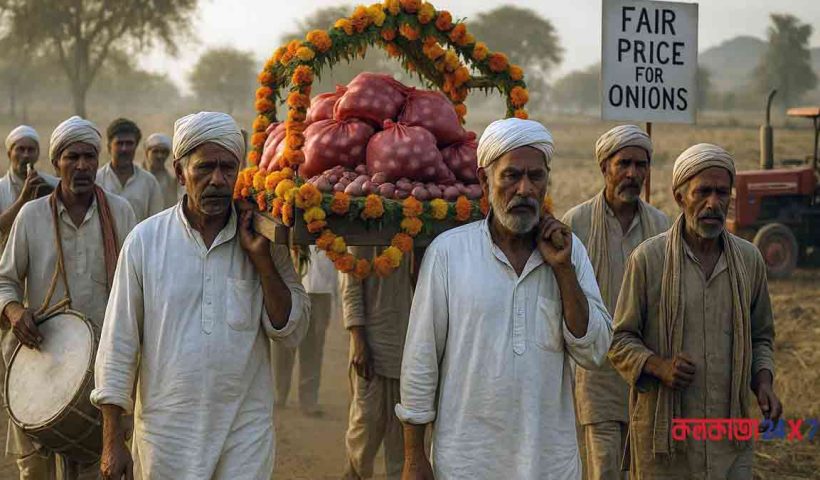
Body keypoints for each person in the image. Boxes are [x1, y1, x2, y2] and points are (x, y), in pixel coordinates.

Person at [92, 111, 310, 480]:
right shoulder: (145, 242)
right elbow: (118, 344)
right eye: (205, 167)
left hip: (244, 432)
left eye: (228, 168)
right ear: (180, 173)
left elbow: (292, 331)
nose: (218, 180)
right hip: (166, 434)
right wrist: (113, 440)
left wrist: (261, 261)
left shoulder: (263, 242)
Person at [397, 118, 613, 479]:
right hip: (466, 463)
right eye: (511, 176)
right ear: (485, 181)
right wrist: (414, 457)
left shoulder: (569, 252)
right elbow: (421, 359)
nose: (525, 189)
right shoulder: (449, 254)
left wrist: (562, 269)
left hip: (549, 464)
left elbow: (594, 352)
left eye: (536, 177)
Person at [609, 144, 781, 479]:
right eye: (703, 192)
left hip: (729, 438)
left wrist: (763, 383)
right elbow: (619, 341)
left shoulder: (749, 260)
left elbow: (762, 336)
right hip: (667, 441)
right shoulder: (648, 260)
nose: (713, 203)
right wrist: (659, 366)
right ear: (679, 197)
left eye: (722, 193)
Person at [0, 116, 136, 479]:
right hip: (40, 363)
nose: (82, 165)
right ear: (56, 162)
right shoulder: (30, 216)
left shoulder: (121, 213)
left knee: (96, 468)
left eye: (89, 156)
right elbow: (4, 281)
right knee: (36, 472)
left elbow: (138, 289)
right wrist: (14, 312)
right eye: (72, 157)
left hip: (102, 368)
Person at [562, 125, 669, 480]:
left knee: (645, 469)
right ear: (604, 167)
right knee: (605, 468)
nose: (632, 174)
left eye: (641, 165)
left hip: (647, 374)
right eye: (624, 163)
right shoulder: (575, 223)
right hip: (597, 374)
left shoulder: (661, 227)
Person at [341, 246, 413, 480]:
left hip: (409, 348)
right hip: (370, 349)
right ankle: (355, 474)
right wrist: (359, 341)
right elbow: (351, 290)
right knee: (364, 425)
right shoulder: (362, 234)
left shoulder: (419, 227)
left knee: (403, 433)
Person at [273, 245, 337, 415]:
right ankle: (279, 394)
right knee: (283, 342)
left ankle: (309, 399)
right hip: (288, 285)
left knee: (314, 346)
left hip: (320, 288)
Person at [0, 125, 59, 246]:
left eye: (31, 150)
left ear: (37, 154)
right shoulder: (1, 188)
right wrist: (23, 199)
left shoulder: (53, 184)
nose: (26, 155)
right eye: (20, 149)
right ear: (9, 154)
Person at [96, 118, 164, 222]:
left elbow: (156, 223)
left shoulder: (149, 183)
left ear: (136, 146)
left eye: (129, 143)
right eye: (119, 143)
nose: (124, 149)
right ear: (109, 146)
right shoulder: (97, 180)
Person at [141, 133, 181, 209]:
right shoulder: (137, 176)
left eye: (164, 152)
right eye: (155, 151)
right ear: (147, 153)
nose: (160, 156)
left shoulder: (172, 179)